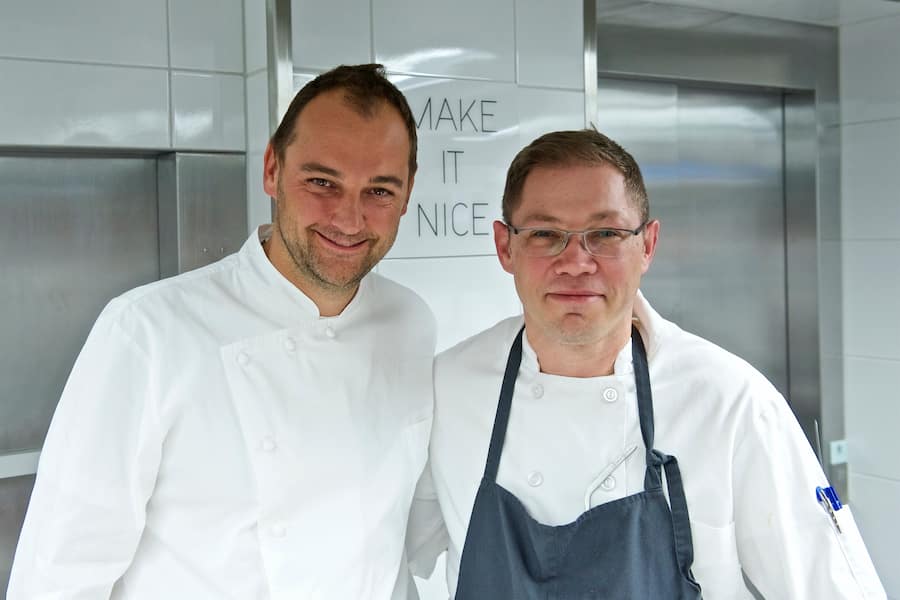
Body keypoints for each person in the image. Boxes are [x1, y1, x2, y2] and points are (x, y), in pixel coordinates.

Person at [9, 64, 435, 599]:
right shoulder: (148, 333)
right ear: (272, 169)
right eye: (322, 182)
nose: (349, 220)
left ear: (408, 191)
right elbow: (59, 575)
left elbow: (400, 539)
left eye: (378, 190)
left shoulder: (411, 320)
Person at [407, 129, 886, 598]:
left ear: (648, 245)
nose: (575, 261)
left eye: (606, 233)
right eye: (545, 233)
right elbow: (374, 553)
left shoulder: (730, 401)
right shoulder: (449, 388)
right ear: (505, 247)